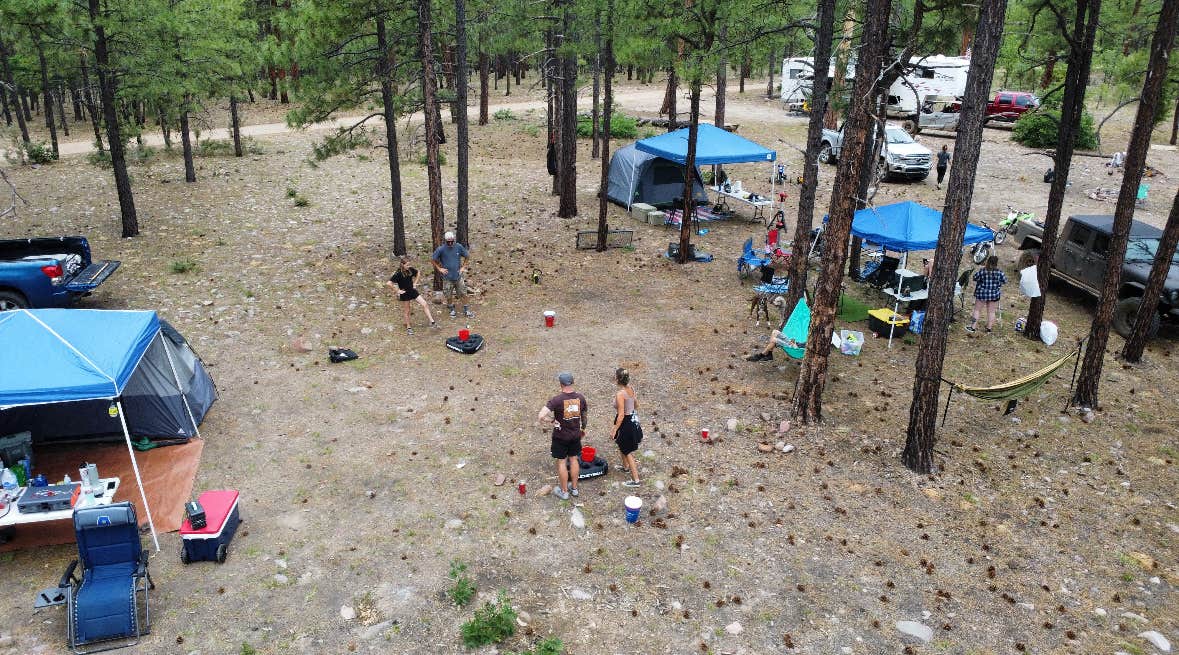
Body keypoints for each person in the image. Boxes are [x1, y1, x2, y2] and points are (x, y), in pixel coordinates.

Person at [537, 372, 588, 500]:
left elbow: (541, 415)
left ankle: (564, 492)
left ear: (561, 384)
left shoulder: (557, 400)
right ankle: (574, 489)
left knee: (561, 462)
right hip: (575, 435)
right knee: (574, 459)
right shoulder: (580, 398)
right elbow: (584, 416)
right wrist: (582, 429)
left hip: (561, 437)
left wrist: (552, 421)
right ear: (572, 382)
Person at [386, 256, 436, 335]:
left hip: (412, 291)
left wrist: (415, 283)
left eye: (409, 265)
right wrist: (397, 291)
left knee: (424, 304)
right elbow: (389, 283)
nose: (409, 266)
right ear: (402, 265)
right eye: (407, 265)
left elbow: (418, 272)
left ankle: (432, 322)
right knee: (407, 310)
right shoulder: (398, 273)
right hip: (405, 293)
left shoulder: (410, 270)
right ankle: (409, 327)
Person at [610, 368, 642, 487]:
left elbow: (621, 414)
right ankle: (625, 467)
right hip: (632, 419)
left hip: (626, 422)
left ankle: (636, 480)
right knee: (622, 444)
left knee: (627, 451)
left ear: (618, 379)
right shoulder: (631, 389)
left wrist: (614, 429)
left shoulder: (620, 394)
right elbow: (636, 404)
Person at [432, 231, 474, 319]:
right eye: (448, 242)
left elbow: (467, 256)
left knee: (463, 293)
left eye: (452, 241)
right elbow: (433, 259)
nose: (450, 243)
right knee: (448, 294)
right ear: (445, 241)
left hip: (458, 277)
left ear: (454, 240)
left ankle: (466, 309)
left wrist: (463, 267)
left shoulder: (458, 247)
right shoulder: (441, 249)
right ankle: (451, 308)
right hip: (447, 278)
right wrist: (440, 269)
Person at [968, 255, 1006, 333]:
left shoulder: (982, 271)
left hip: (982, 294)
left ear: (988, 261)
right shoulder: (1000, 272)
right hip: (994, 295)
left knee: (977, 310)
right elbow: (1004, 281)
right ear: (996, 263)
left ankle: (973, 327)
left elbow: (974, 278)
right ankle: (989, 328)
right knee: (991, 312)